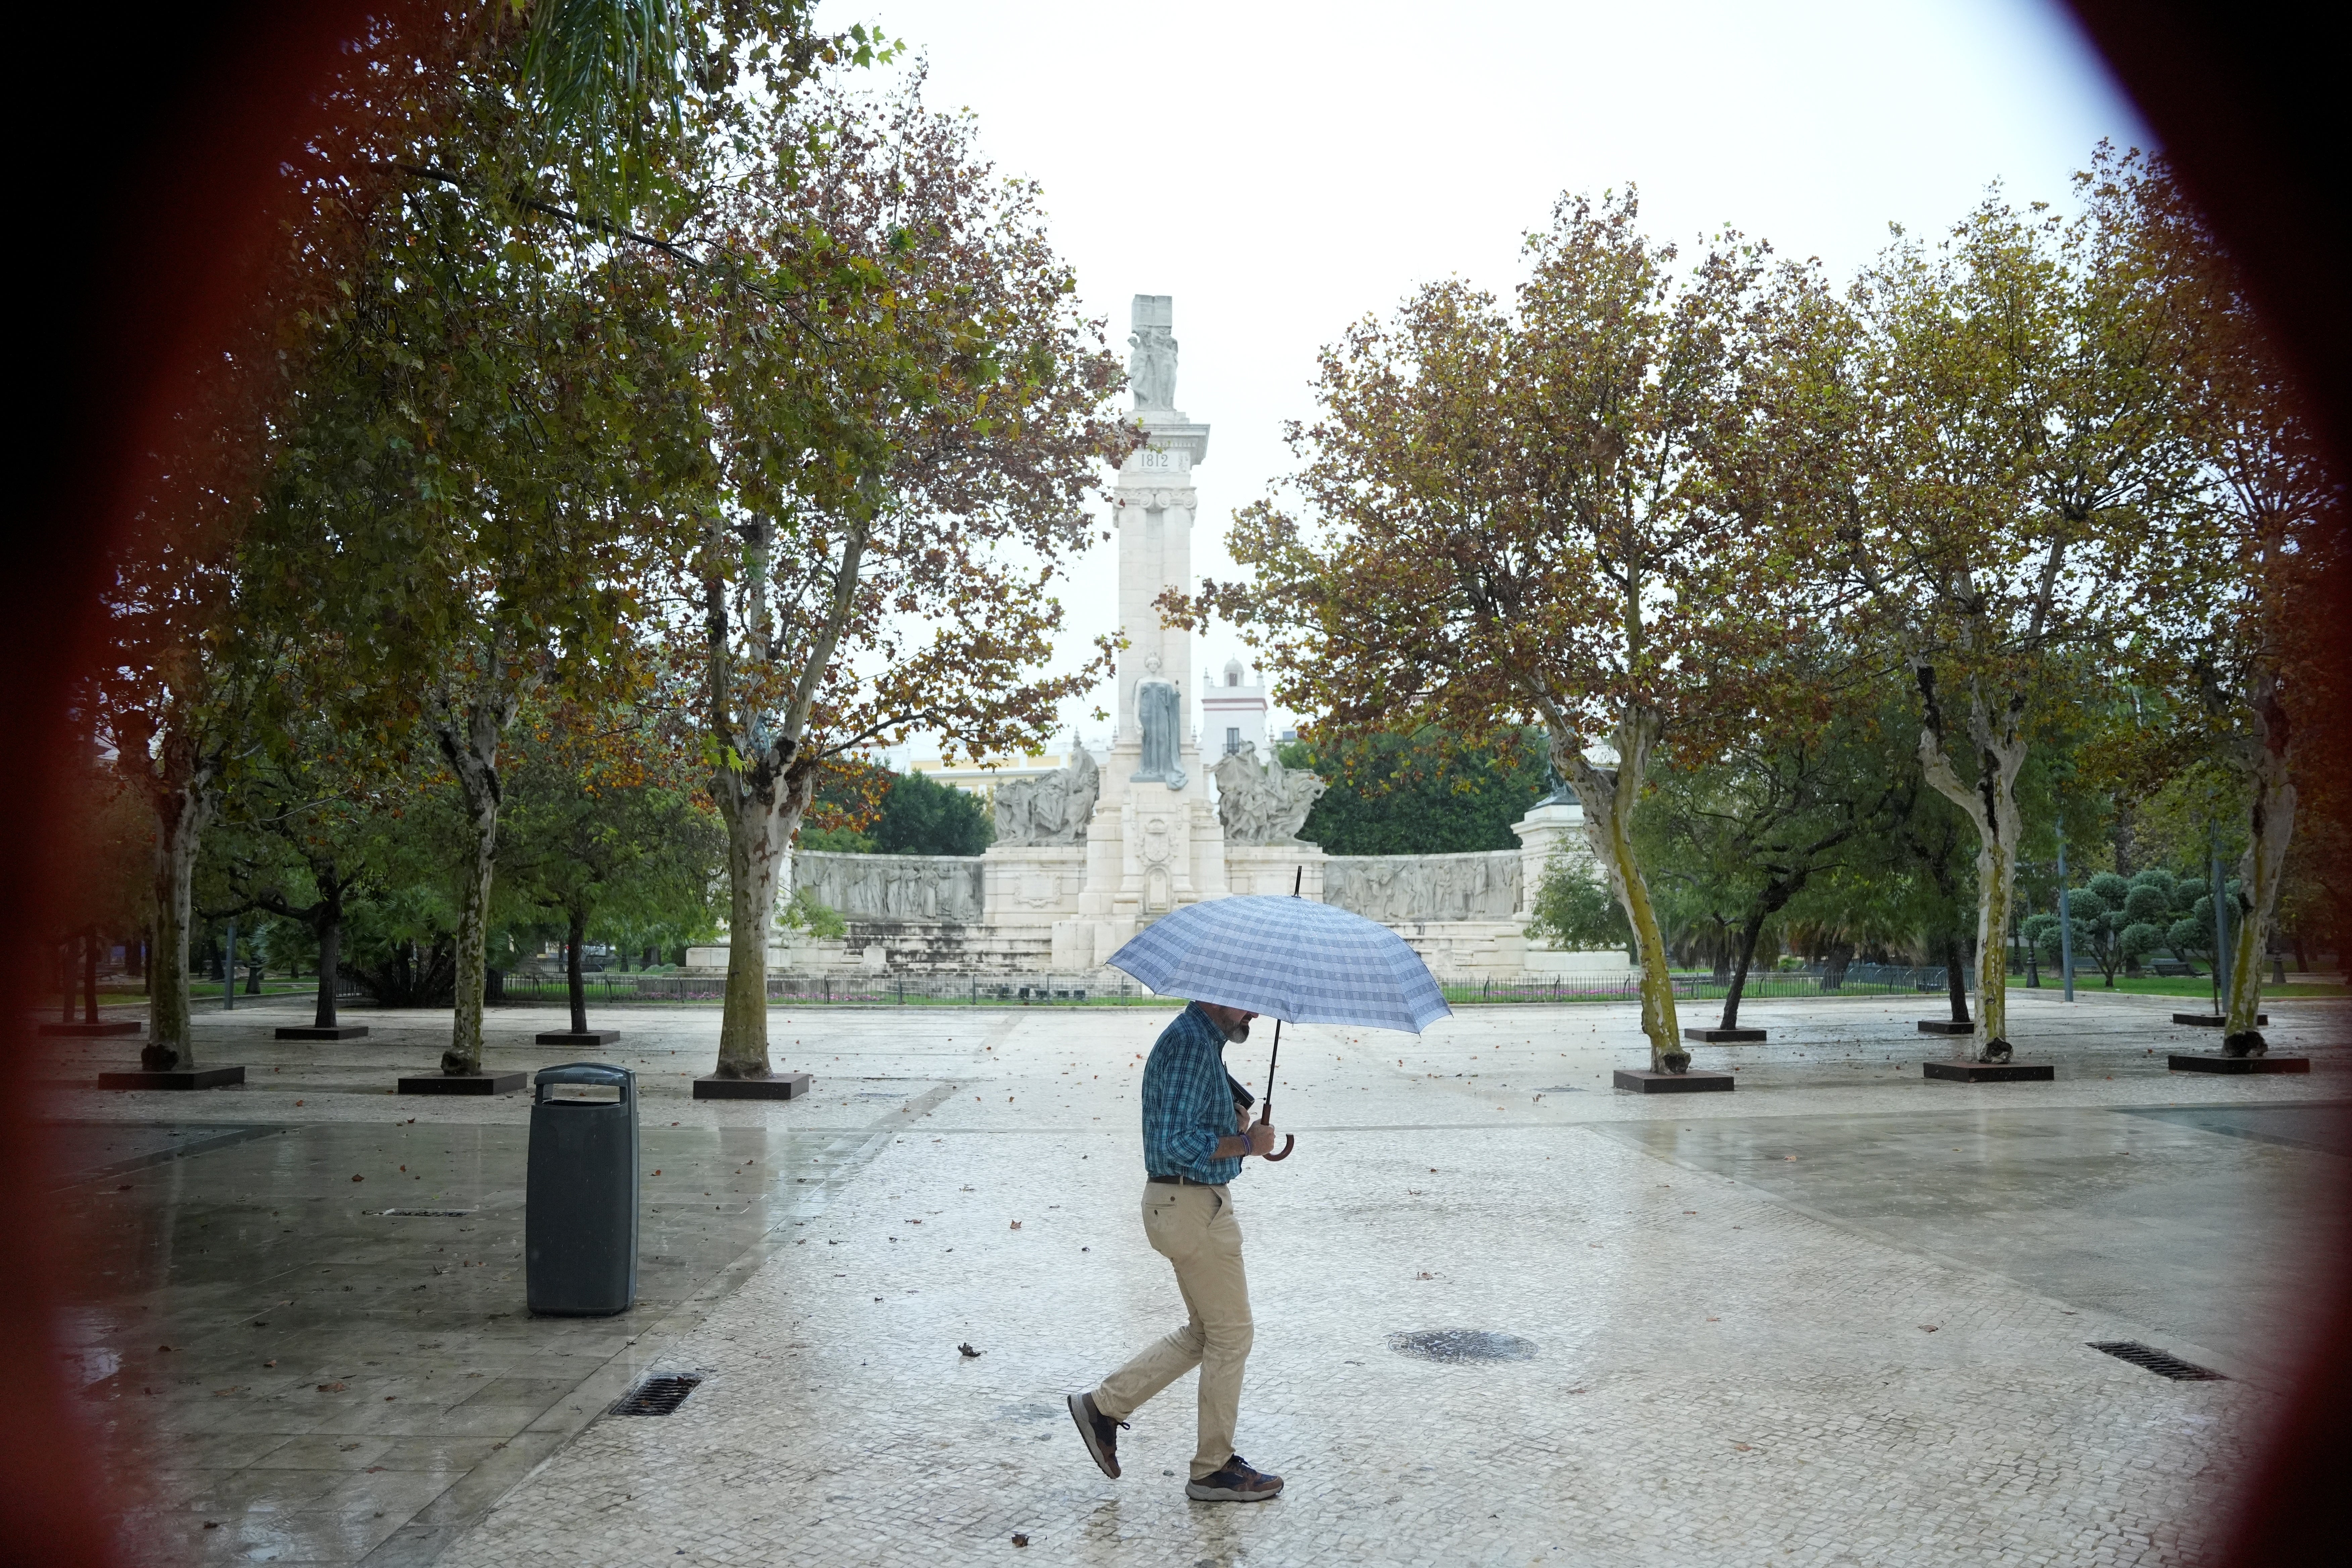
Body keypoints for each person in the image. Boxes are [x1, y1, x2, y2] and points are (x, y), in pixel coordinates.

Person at [1067, 998, 1284, 1502]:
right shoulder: (1189, 1045)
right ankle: (1213, 1470)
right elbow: (1177, 1143)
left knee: (1206, 1332)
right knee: (1232, 1335)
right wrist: (1248, 1145)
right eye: (1248, 1003)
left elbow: (1191, 1130)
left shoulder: (1201, 1042)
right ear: (1218, 992)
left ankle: (1103, 1408)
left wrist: (1235, 1124)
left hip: (1186, 1203)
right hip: (1191, 1206)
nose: (1254, 1014)